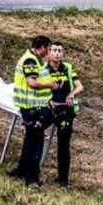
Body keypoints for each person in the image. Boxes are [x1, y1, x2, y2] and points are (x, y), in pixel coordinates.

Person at [9, 36, 58, 185]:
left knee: (31, 138)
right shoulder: (30, 61)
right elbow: (32, 83)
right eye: (48, 49)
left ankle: (22, 170)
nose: (48, 52)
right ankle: (32, 178)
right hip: (30, 107)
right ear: (42, 47)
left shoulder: (36, 60)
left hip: (35, 105)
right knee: (36, 140)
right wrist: (50, 86)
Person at [43, 42, 83, 188]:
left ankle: (63, 179)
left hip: (66, 110)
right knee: (35, 133)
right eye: (54, 50)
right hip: (49, 107)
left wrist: (72, 94)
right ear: (49, 53)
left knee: (63, 145)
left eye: (60, 51)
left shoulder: (68, 68)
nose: (57, 53)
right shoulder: (44, 68)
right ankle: (31, 171)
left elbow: (80, 86)